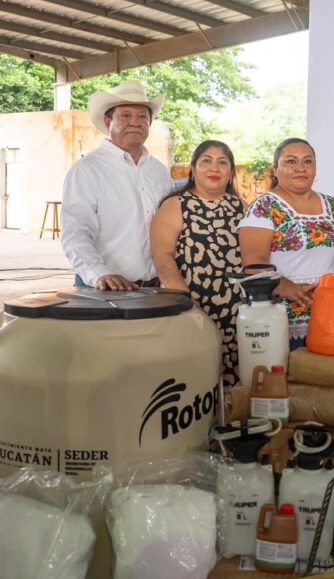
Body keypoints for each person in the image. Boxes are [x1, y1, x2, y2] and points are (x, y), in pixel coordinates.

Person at [61, 80, 172, 291]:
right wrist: (99, 274)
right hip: (103, 288)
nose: (135, 122)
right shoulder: (87, 170)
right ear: (108, 121)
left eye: (142, 116)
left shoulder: (158, 171)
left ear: (149, 123)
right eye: (126, 115)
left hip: (153, 288)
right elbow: (75, 232)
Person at [150, 140, 246, 385]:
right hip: (193, 306)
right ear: (193, 169)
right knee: (197, 379)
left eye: (222, 162)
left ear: (230, 172)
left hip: (238, 310)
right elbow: (162, 257)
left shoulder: (240, 206)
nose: (214, 168)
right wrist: (187, 303)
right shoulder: (176, 205)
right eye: (206, 161)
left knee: (235, 382)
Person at [239, 138, 334, 349]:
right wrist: (288, 288)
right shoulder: (264, 207)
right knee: (285, 369)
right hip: (280, 316)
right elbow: (253, 263)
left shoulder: (332, 206)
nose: (300, 168)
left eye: (308, 161)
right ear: (275, 169)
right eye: (291, 161)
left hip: (329, 315)